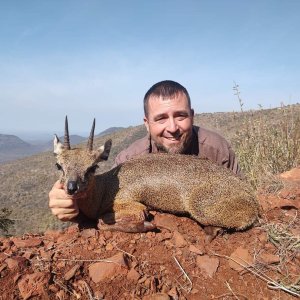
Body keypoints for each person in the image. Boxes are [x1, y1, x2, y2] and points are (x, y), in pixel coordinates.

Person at [49, 80, 241, 222]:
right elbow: (101, 198)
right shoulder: (128, 160)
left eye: (181, 116)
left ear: (192, 115)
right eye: (161, 119)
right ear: (147, 124)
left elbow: (237, 193)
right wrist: (69, 206)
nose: (172, 127)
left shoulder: (217, 149)